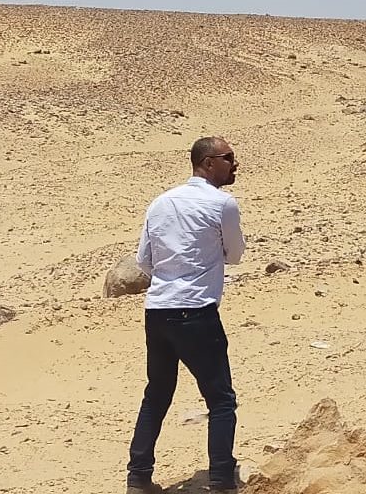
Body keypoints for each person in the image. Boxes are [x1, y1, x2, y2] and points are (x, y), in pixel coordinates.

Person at [127, 137, 246, 494]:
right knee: (221, 400)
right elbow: (235, 254)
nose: (235, 164)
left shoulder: (160, 202)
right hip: (196, 311)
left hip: (158, 310)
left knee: (157, 394)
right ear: (208, 163)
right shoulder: (223, 203)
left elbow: (144, 261)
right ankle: (222, 480)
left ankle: (138, 476)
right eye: (228, 158)